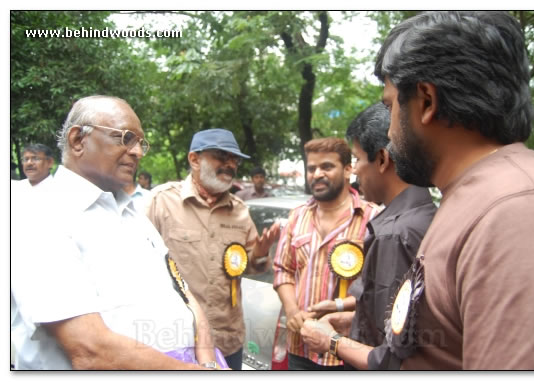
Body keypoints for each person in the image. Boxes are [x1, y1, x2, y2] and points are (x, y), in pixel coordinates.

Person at [380, 11, 534, 369]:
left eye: (390, 105)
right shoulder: (479, 195)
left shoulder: (516, 211)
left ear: (426, 100)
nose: (389, 132)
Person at [10, 95, 222, 370]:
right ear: (78, 140)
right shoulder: (39, 215)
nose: (138, 152)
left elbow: (183, 293)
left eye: (140, 142)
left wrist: (208, 363)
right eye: (125, 138)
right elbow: (89, 351)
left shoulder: (134, 214)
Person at [300, 103, 437, 370]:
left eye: (357, 160)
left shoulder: (394, 234)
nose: (356, 172)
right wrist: (353, 317)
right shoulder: (425, 215)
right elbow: (400, 322)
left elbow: (391, 357)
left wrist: (331, 341)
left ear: (383, 159)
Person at [145, 128, 280, 370]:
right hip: (177, 340)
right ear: (194, 159)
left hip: (228, 341)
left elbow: (249, 266)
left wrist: (260, 253)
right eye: (221, 156)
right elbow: (137, 264)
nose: (230, 164)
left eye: (235, 159)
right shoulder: (161, 202)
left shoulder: (240, 210)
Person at [273, 137, 381, 370]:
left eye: (327, 167)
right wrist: (292, 311)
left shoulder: (372, 218)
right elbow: (283, 270)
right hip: (300, 347)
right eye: (312, 168)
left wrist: (337, 306)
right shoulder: (297, 216)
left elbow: (379, 289)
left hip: (347, 350)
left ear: (348, 169)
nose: (317, 174)